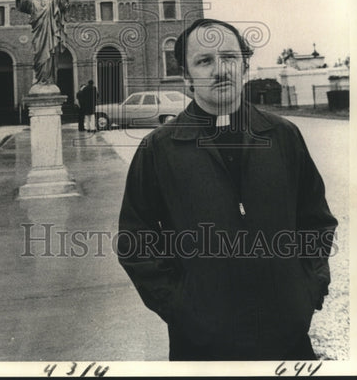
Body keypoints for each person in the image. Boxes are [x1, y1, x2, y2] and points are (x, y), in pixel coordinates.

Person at [117, 18, 337, 361]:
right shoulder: (159, 149)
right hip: (202, 346)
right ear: (187, 77)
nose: (221, 70)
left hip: (288, 339)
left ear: (244, 66)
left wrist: (308, 290)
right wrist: (180, 307)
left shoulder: (283, 136)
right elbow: (136, 241)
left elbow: (316, 221)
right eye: (205, 61)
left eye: (230, 57)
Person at [13, 0, 70, 85]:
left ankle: (48, 80)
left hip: (49, 32)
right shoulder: (31, 1)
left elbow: (62, 3)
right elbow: (21, 5)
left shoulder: (52, 1)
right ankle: (39, 79)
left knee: (49, 55)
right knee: (38, 55)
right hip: (38, 33)